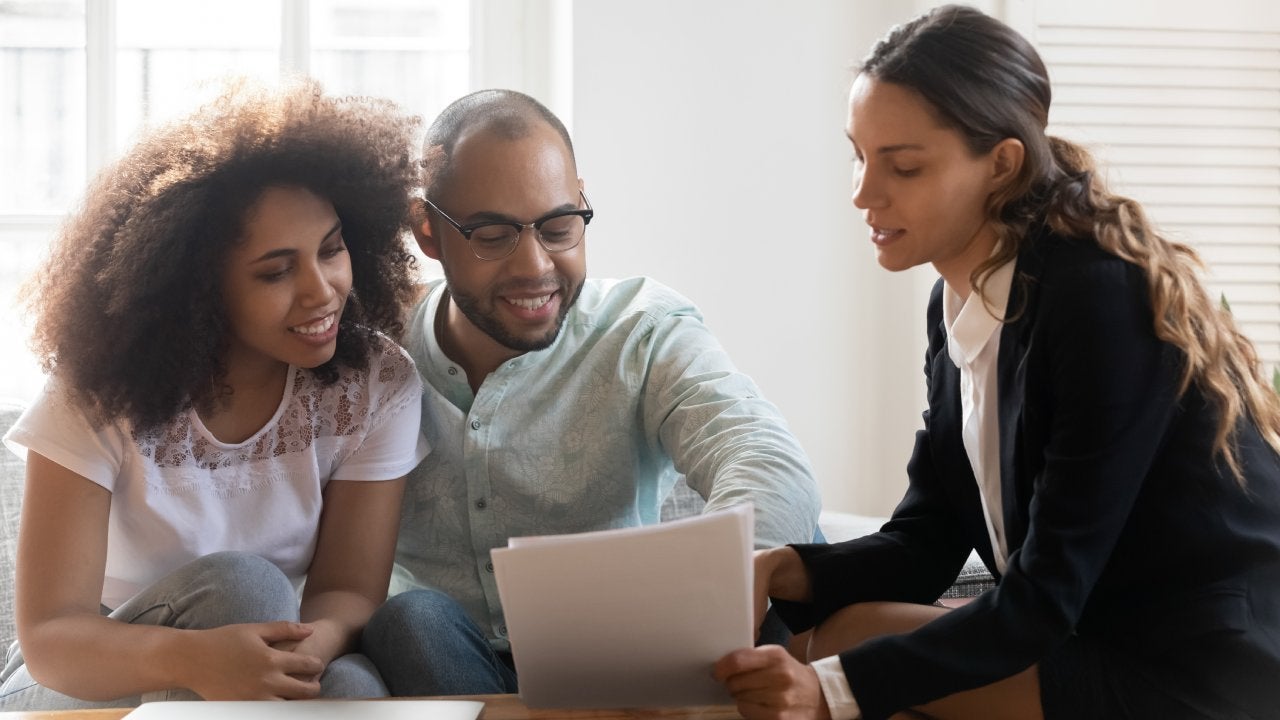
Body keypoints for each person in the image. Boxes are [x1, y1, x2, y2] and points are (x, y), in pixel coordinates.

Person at [714, 5, 1280, 720]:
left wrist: (832, 693)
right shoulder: (954, 304)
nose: (863, 193)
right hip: (1084, 635)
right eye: (858, 155)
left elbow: (1045, 595)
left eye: (904, 165)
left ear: (1002, 164)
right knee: (826, 644)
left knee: (831, 677)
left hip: (1192, 670)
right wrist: (785, 568)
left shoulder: (1097, 300)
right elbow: (926, 540)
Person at [361, 89, 822, 696]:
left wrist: (721, 586)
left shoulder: (642, 328)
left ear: (582, 202)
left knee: (800, 547)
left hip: (623, 657)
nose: (535, 266)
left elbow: (764, 456)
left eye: (559, 228)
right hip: (445, 659)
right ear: (427, 230)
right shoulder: (370, 352)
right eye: (493, 235)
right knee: (411, 618)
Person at [0, 78, 428, 710]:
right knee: (244, 587)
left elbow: (346, 593)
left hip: (260, 650)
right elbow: (51, 640)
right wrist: (200, 660)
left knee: (354, 688)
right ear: (196, 288)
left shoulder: (374, 383)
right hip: (85, 680)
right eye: (277, 270)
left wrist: (301, 654)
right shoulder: (101, 391)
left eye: (332, 249)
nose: (322, 290)